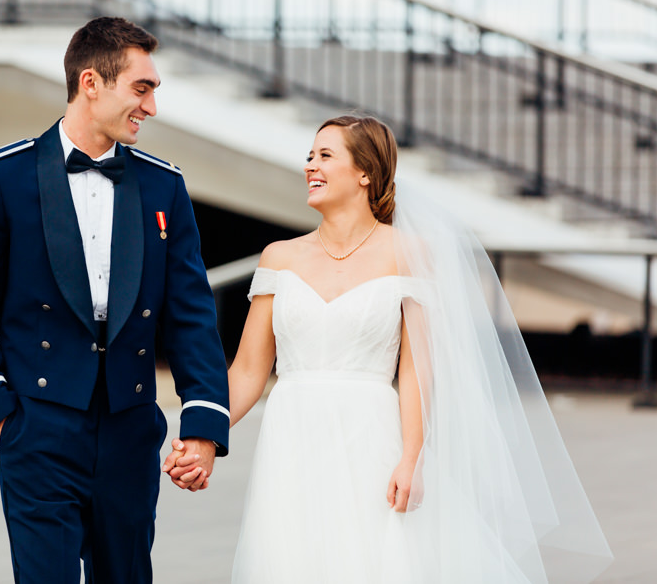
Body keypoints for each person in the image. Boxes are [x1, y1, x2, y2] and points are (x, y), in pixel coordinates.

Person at [165, 115, 612, 582]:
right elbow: (247, 372)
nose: (309, 167)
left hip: (372, 438)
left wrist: (413, 456)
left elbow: (417, 369)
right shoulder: (279, 256)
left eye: (325, 155)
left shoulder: (409, 252)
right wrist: (202, 436)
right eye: (309, 156)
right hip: (291, 440)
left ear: (365, 173)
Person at [0, 16, 230, 584]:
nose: (151, 106)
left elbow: (191, 315)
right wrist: (1, 417)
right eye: (141, 89)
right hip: (37, 429)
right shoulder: (1, 176)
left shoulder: (163, 185)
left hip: (130, 430)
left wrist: (202, 423)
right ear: (92, 83)